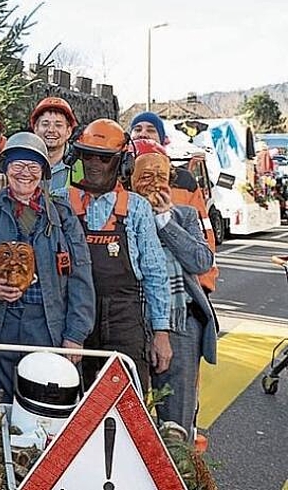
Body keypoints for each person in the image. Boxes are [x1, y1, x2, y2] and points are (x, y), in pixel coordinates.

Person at [0, 132, 95, 401]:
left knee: (44, 408)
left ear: (43, 172)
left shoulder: (62, 216)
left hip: (47, 327)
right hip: (0, 325)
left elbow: (80, 275)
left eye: (33, 166)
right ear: (6, 168)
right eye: (18, 165)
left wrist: (75, 335)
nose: (25, 173)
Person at [67, 118, 170, 393]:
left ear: (123, 163)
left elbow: (155, 272)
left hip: (125, 318)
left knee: (129, 402)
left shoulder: (136, 208)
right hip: (76, 317)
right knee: (74, 405)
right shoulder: (64, 203)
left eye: (104, 158)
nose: (94, 164)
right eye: (87, 155)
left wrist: (161, 332)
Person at [130, 140, 218, 442]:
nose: (154, 184)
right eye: (146, 176)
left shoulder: (184, 215)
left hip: (180, 322)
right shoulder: (122, 214)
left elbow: (202, 260)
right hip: (134, 321)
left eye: (161, 176)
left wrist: (165, 220)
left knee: (177, 424)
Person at [129, 111, 219, 293]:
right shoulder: (117, 182)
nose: (143, 133)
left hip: (180, 287)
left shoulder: (184, 181)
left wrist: (203, 285)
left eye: (151, 130)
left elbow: (204, 241)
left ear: (163, 139)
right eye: (137, 129)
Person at [29, 97, 78, 198]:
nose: (51, 130)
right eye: (45, 124)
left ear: (68, 131)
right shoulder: (20, 164)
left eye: (58, 125)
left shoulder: (82, 169)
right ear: (35, 128)